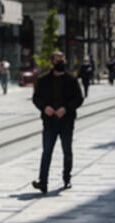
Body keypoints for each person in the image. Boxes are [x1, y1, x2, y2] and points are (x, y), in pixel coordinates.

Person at [31, 51, 84, 193]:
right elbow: (36, 98)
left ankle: (67, 178)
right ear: (51, 63)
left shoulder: (71, 80)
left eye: (62, 60)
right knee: (47, 152)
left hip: (66, 121)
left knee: (67, 151)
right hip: (49, 122)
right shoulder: (43, 80)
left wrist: (66, 108)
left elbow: (79, 98)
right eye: (57, 60)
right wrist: (44, 107)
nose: (60, 63)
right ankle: (43, 182)